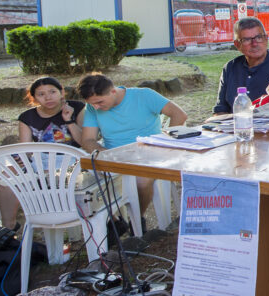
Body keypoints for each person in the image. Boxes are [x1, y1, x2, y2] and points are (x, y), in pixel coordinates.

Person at [77, 73, 188, 225]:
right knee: (86, 183)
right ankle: (115, 221)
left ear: (113, 91)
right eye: (92, 104)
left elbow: (179, 115)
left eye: (99, 102)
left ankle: (136, 219)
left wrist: (164, 143)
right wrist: (105, 154)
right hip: (114, 157)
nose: (96, 107)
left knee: (142, 181)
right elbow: (88, 140)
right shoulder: (92, 107)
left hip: (148, 154)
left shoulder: (144, 95)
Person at [0, 76, 87, 228]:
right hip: (42, 159)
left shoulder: (78, 108)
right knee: (6, 175)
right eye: (41, 94)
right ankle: (8, 227)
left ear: (62, 92)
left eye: (52, 92)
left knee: (51, 174)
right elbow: (25, 148)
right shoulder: (27, 117)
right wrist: (19, 159)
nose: (48, 97)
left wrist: (69, 120)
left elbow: (84, 142)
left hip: (74, 160)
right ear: (34, 98)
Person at [213, 17, 269, 114]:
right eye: (247, 39)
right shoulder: (230, 68)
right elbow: (220, 109)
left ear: (266, 39)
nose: (254, 44)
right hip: (236, 126)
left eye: (259, 37)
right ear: (237, 45)